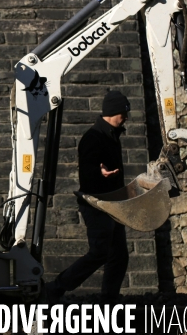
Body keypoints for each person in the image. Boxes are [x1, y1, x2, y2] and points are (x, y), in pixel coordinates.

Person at [46, 90, 131, 305]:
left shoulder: (112, 136)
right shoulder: (93, 137)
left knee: (119, 255)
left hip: (113, 205)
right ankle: (56, 287)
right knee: (100, 252)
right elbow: (87, 170)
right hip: (96, 205)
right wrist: (99, 172)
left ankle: (109, 299)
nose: (127, 117)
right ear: (115, 112)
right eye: (124, 113)